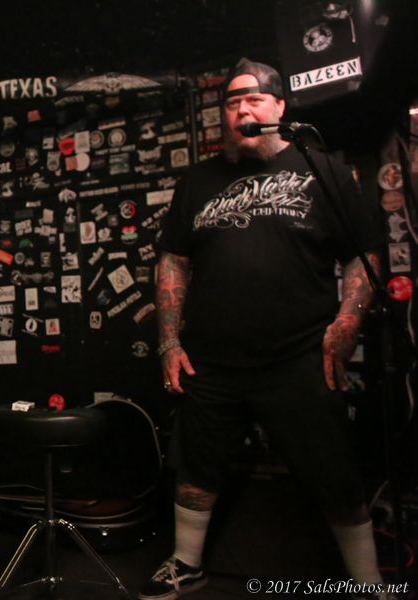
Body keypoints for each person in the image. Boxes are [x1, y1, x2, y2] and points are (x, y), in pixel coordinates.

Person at [143, 58, 390, 600]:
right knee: (196, 468)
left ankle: (366, 580)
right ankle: (186, 563)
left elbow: (364, 253)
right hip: (212, 358)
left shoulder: (321, 170)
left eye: (252, 99)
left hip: (299, 353)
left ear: (280, 106)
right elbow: (173, 261)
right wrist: (169, 340)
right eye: (231, 102)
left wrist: (348, 321)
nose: (241, 110)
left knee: (332, 470)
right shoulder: (199, 180)